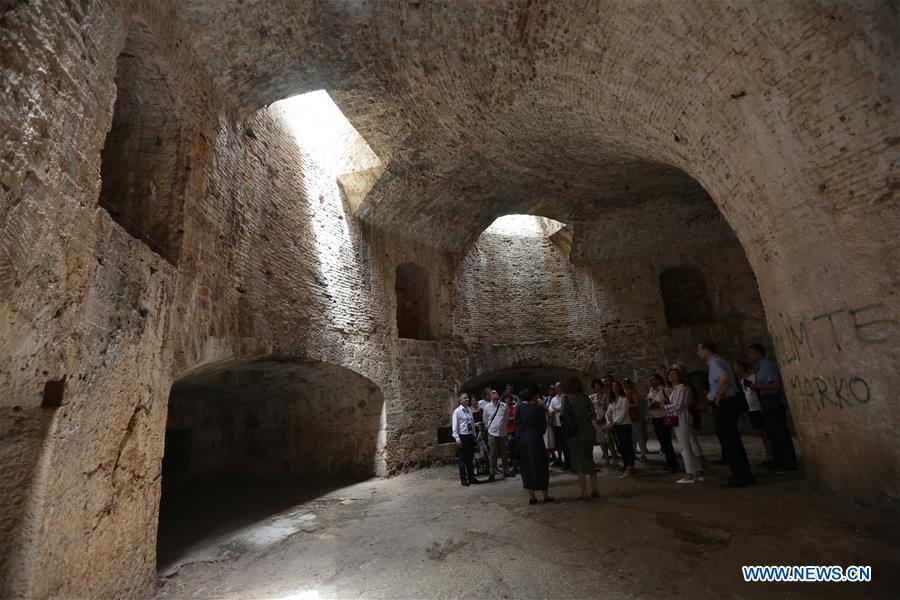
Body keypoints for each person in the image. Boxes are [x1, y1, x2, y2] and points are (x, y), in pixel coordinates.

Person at [697, 340, 753, 487]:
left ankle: (740, 476)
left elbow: (724, 379)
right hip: (730, 402)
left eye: (700, 350)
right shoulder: (721, 360)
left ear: (706, 350)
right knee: (733, 439)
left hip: (724, 403)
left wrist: (719, 397)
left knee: (729, 440)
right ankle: (743, 473)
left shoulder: (714, 362)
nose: (698, 353)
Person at [747, 344, 798, 472]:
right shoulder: (761, 368)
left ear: (759, 353)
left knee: (780, 433)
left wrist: (756, 387)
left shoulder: (767, 366)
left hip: (773, 402)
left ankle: (787, 463)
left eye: (751, 353)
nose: (749, 356)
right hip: (768, 402)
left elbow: (776, 385)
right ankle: (780, 461)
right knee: (774, 434)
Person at [560, 377, 600, 498]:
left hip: (574, 433)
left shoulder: (566, 398)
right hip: (588, 431)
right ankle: (595, 490)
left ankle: (583, 492)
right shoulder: (585, 397)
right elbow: (593, 415)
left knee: (578, 461)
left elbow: (563, 415)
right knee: (589, 458)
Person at [666, 368, 705, 484]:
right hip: (679, 417)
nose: (671, 376)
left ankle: (689, 474)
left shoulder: (681, 389)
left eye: (674, 374)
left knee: (684, 448)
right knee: (688, 445)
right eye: (670, 374)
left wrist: (665, 407)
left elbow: (678, 406)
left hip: (681, 418)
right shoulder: (674, 390)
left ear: (679, 377)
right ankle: (697, 471)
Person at [515, 386, 554, 504]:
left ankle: (532, 496)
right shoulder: (538, 408)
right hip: (536, 438)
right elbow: (543, 427)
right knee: (541, 465)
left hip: (523, 439)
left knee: (527, 465)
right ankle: (545, 495)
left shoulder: (520, 407)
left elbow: (518, 423)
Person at [735, 360, 774, 468]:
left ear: (741, 368)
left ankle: (770, 457)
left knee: (765, 433)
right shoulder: (742, 380)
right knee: (761, 434)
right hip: (751, 409)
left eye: (736, 367)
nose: (735, 370)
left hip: (758, 408)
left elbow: (758, 389)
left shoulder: (753, 377)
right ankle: (768, 456)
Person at [647, 374, 679, 473]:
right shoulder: (651, 391)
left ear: (659, 381)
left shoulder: (665, 390)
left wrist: (660, 405)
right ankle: (669, 462)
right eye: (650, 380)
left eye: (653, 380)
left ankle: (674, 464)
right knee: (662, 442)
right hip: (655, 418)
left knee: (666, 441)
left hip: (663, 417)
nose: (651, 382)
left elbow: (672, 402)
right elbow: (648, 402)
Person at [482, 389, 513, 481]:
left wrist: (502, 427)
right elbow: (485, 420)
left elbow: (506, 418)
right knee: (493, 453)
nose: (495, 395)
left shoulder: (504, 406)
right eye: (493, 394)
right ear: (490, 396)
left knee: (504, 453)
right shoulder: (487, 407)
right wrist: (491, 428)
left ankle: (506, 471)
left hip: (503, 433)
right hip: (492, 433)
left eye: (496, 393)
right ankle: (492, 473)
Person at [451, 392, 481, 486]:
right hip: (462, 436)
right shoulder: (457, 411)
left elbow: (472, 424)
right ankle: (464, 479)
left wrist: (474, 435)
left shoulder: (469, 410)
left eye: (467, 398)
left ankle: (471, 478)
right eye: (465, 398)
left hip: (469, 436)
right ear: (460, 400)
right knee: (462, 460)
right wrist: (457, 439)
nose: (467, 399)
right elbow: (454, 427)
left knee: (470, 459)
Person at [607, 380, 636, 478]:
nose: (614, 387)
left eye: (616, 386)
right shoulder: (612, 400)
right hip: (616, 426)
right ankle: (625, 465)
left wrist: (613, 423)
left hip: (625, 425)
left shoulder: (625, 399)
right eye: (612, 386)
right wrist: (609, 422)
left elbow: (623, 414)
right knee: (621, 447)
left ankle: (630, 467)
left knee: (627, 446)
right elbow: (608, 413)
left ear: (620, 387)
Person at [590, 379, 615, 465]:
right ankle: (606, 457)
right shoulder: (591, 397)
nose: (597, 387)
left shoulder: (606, 396)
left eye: (599, 386)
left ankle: (614, 456)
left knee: (608, 439)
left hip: (606, 419)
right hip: (596, 420)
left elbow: (609, 408)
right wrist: (595, 419)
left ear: (601, 386)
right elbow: (590, 409)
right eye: (595, 386)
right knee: (601, 440)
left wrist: (604, 417)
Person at [624, 378, 648, 461]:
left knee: (639, 435)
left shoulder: (633, 392)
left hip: (635, 416)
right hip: (629, 416)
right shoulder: (625, 392)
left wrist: (626, 406)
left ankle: (643, 453)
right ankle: (634, 452)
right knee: (633, 436)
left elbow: (636, 404)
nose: (625, 385)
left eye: (627, 384)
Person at [548, 382, 571, 470]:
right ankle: (565, 463)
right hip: (556, 424)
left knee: (567, 445)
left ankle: (570, 462)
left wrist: (555, 409)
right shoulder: (553, 399)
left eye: (558, 387)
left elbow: (562, 408)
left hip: (565, 424)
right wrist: (553, 410)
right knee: (560, 444)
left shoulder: (565, 397)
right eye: (556, 388)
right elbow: (550, 408)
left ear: (562, 388)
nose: (557, 389)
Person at [505, 393, 519, 475]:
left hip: (514, 430)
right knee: (509, 450)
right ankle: (513, 465)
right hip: (508, 431)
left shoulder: (513, 408)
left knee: (515, 449)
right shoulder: (503, 409)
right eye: (507, 399)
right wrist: (511, 418)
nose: (508, 401)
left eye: (509, 399)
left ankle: (516, 466)